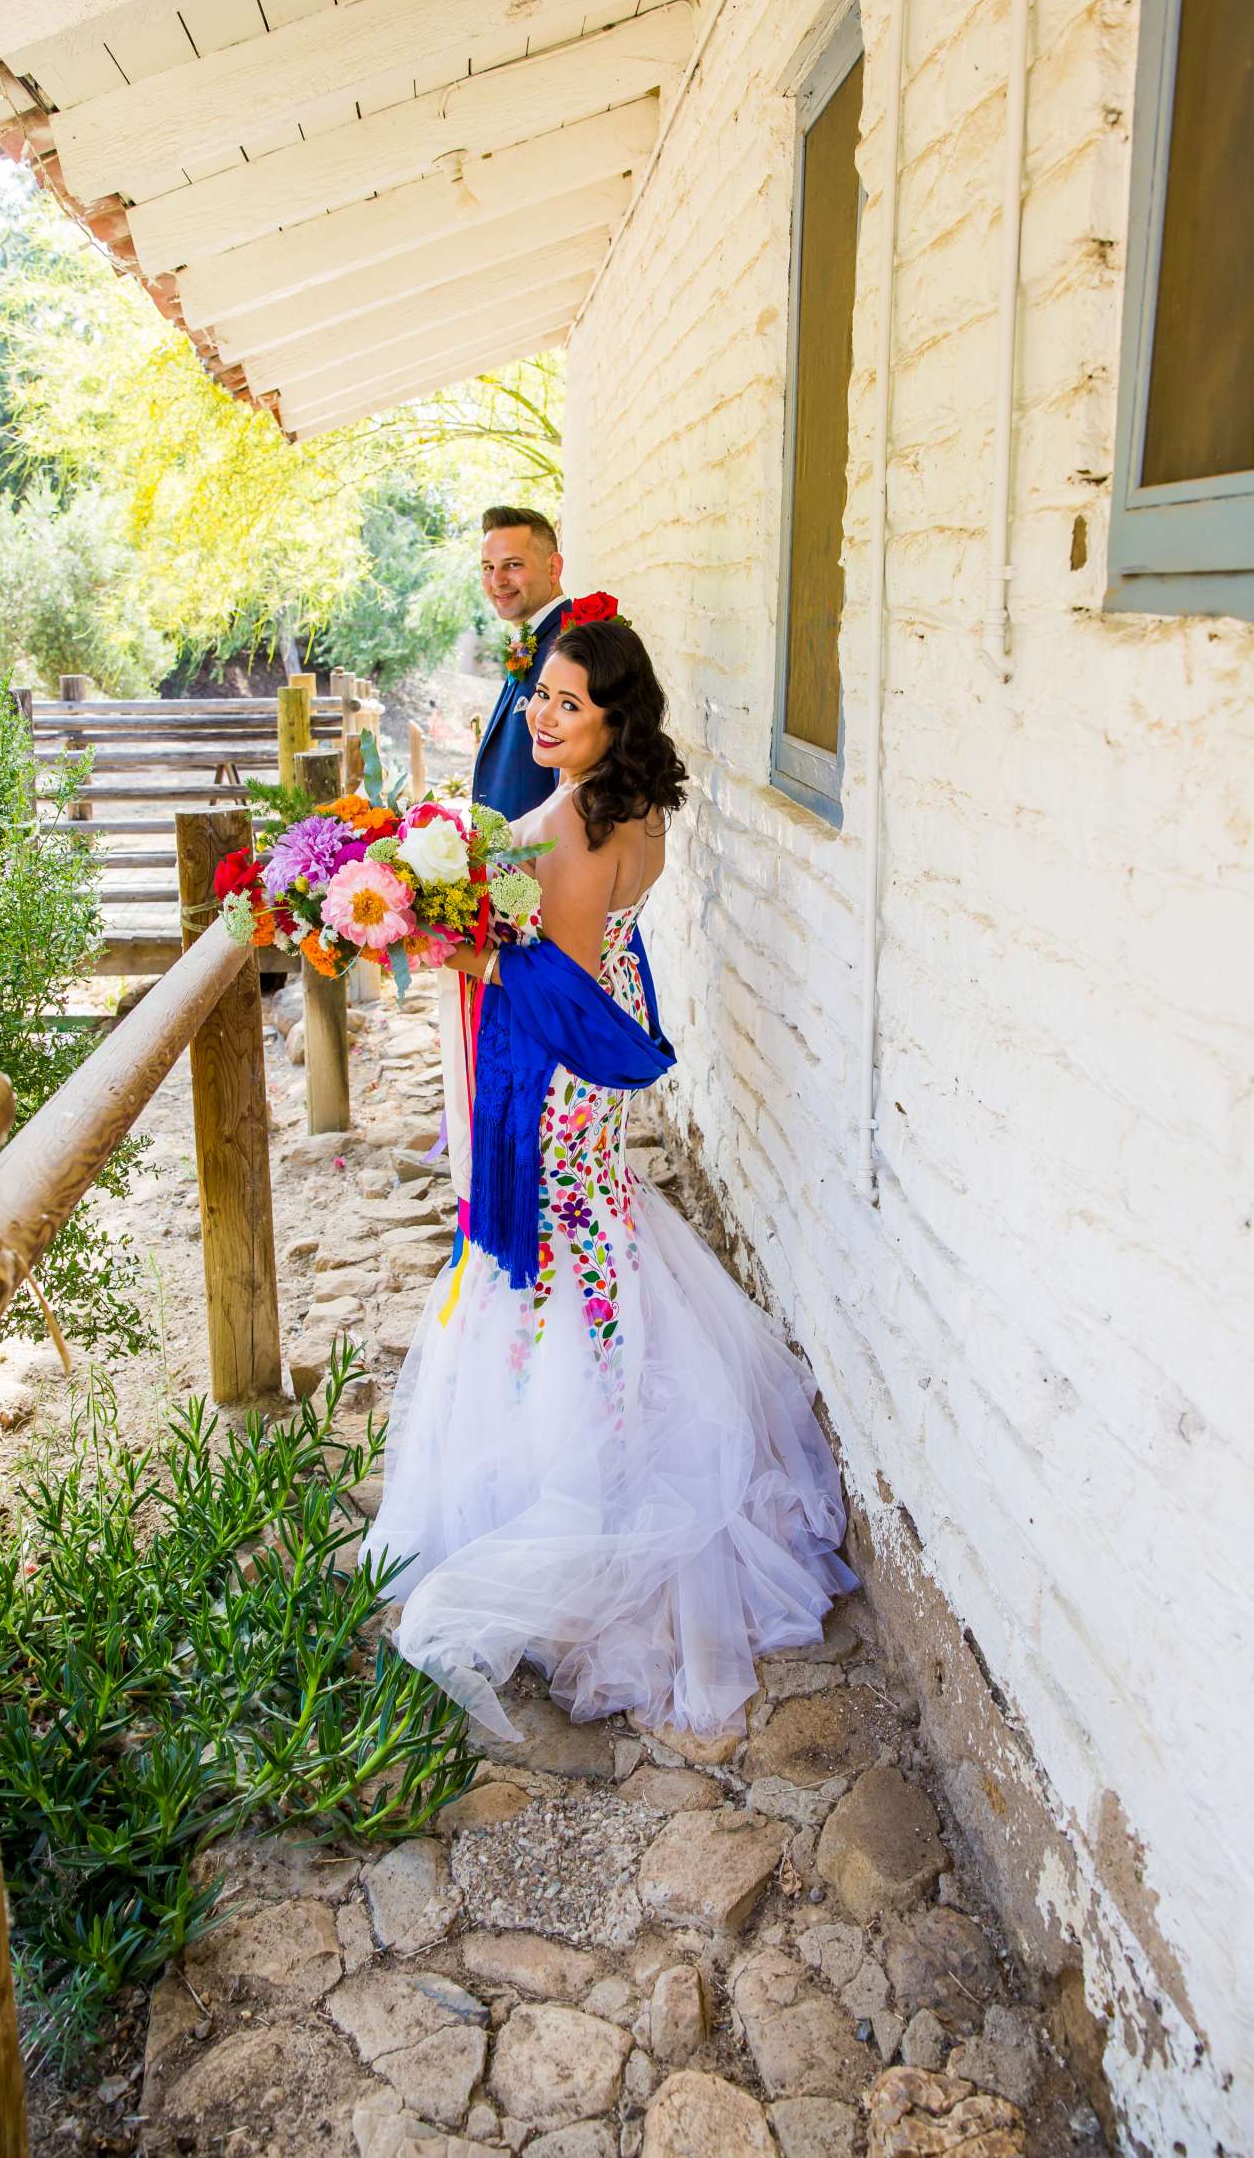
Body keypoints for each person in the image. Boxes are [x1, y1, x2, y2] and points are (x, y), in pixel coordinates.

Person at [366, 616, 854, 1741]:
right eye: (540, 694)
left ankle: (578, 1469)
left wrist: (451, 940)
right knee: (596, 1228)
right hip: (594, 1040)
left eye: (567, 705)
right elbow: (587, 950)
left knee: (555, 1240)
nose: (542, 715)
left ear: (612, 720)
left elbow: (559, 979)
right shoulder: (631, 807)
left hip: (561, 1059)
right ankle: (611, 1404)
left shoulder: (585, 823)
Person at [471, 504, 567, 823]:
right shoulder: (530, 637)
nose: (497, 581)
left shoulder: (570, 645)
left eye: (512, 565)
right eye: (488, 567)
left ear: (553, 568)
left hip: (540, 861)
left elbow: (572, 784)